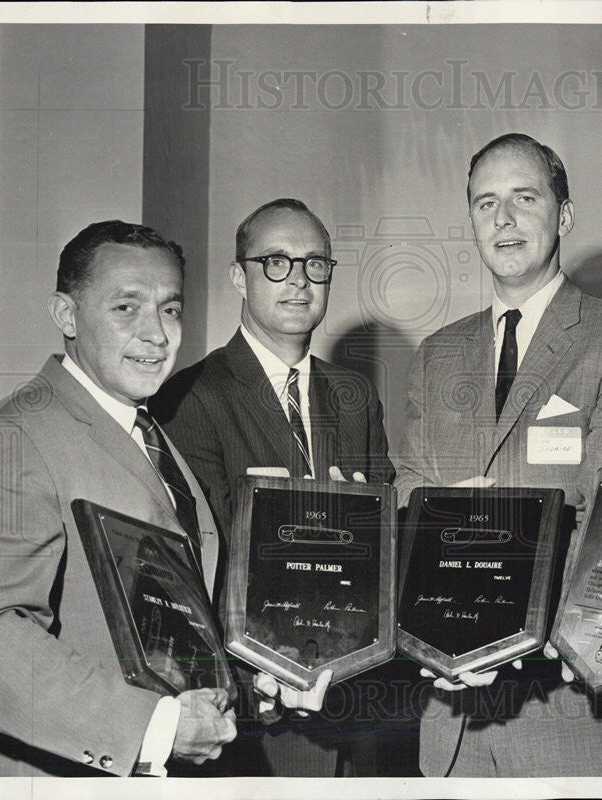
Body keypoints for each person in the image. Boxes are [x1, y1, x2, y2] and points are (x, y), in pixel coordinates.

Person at [394, 133, 602, 777]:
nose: (504, 219)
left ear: (564, 215)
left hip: (568, 715)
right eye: (485, 203)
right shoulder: (437, 354)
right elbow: (411, 493)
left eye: (525, 197)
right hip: (450, 722)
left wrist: (497, 620)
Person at [151, 198, 395, 776]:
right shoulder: (189, 397)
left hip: (353, 700)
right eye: (276, 262)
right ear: (239, 275)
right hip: (253, 714)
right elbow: (194, 570)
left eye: (316, 263)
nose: (300, 280)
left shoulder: (354, 395)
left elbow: (385, 541)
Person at [0, 220, 238, 776]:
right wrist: (156, 727)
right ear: (66, 315)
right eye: (126, 308)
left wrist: (248, 682)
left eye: (170, 310)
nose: (156, 334)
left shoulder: (149, 432)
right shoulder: (18, 434)